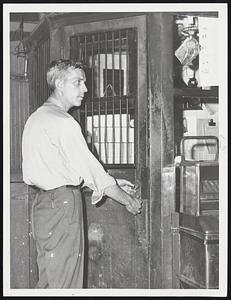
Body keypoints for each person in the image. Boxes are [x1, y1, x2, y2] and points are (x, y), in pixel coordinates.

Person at [22, 59, 142, 289]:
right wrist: (128, 201)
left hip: (43, 205)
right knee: (66, 283)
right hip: (63, 206)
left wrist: (113, 182)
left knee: (50, 279)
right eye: (78, 82)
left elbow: (61, 170)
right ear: (59, 83)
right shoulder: (63, 122)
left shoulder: (36, 118)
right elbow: (91, 171)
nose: (85, 89)